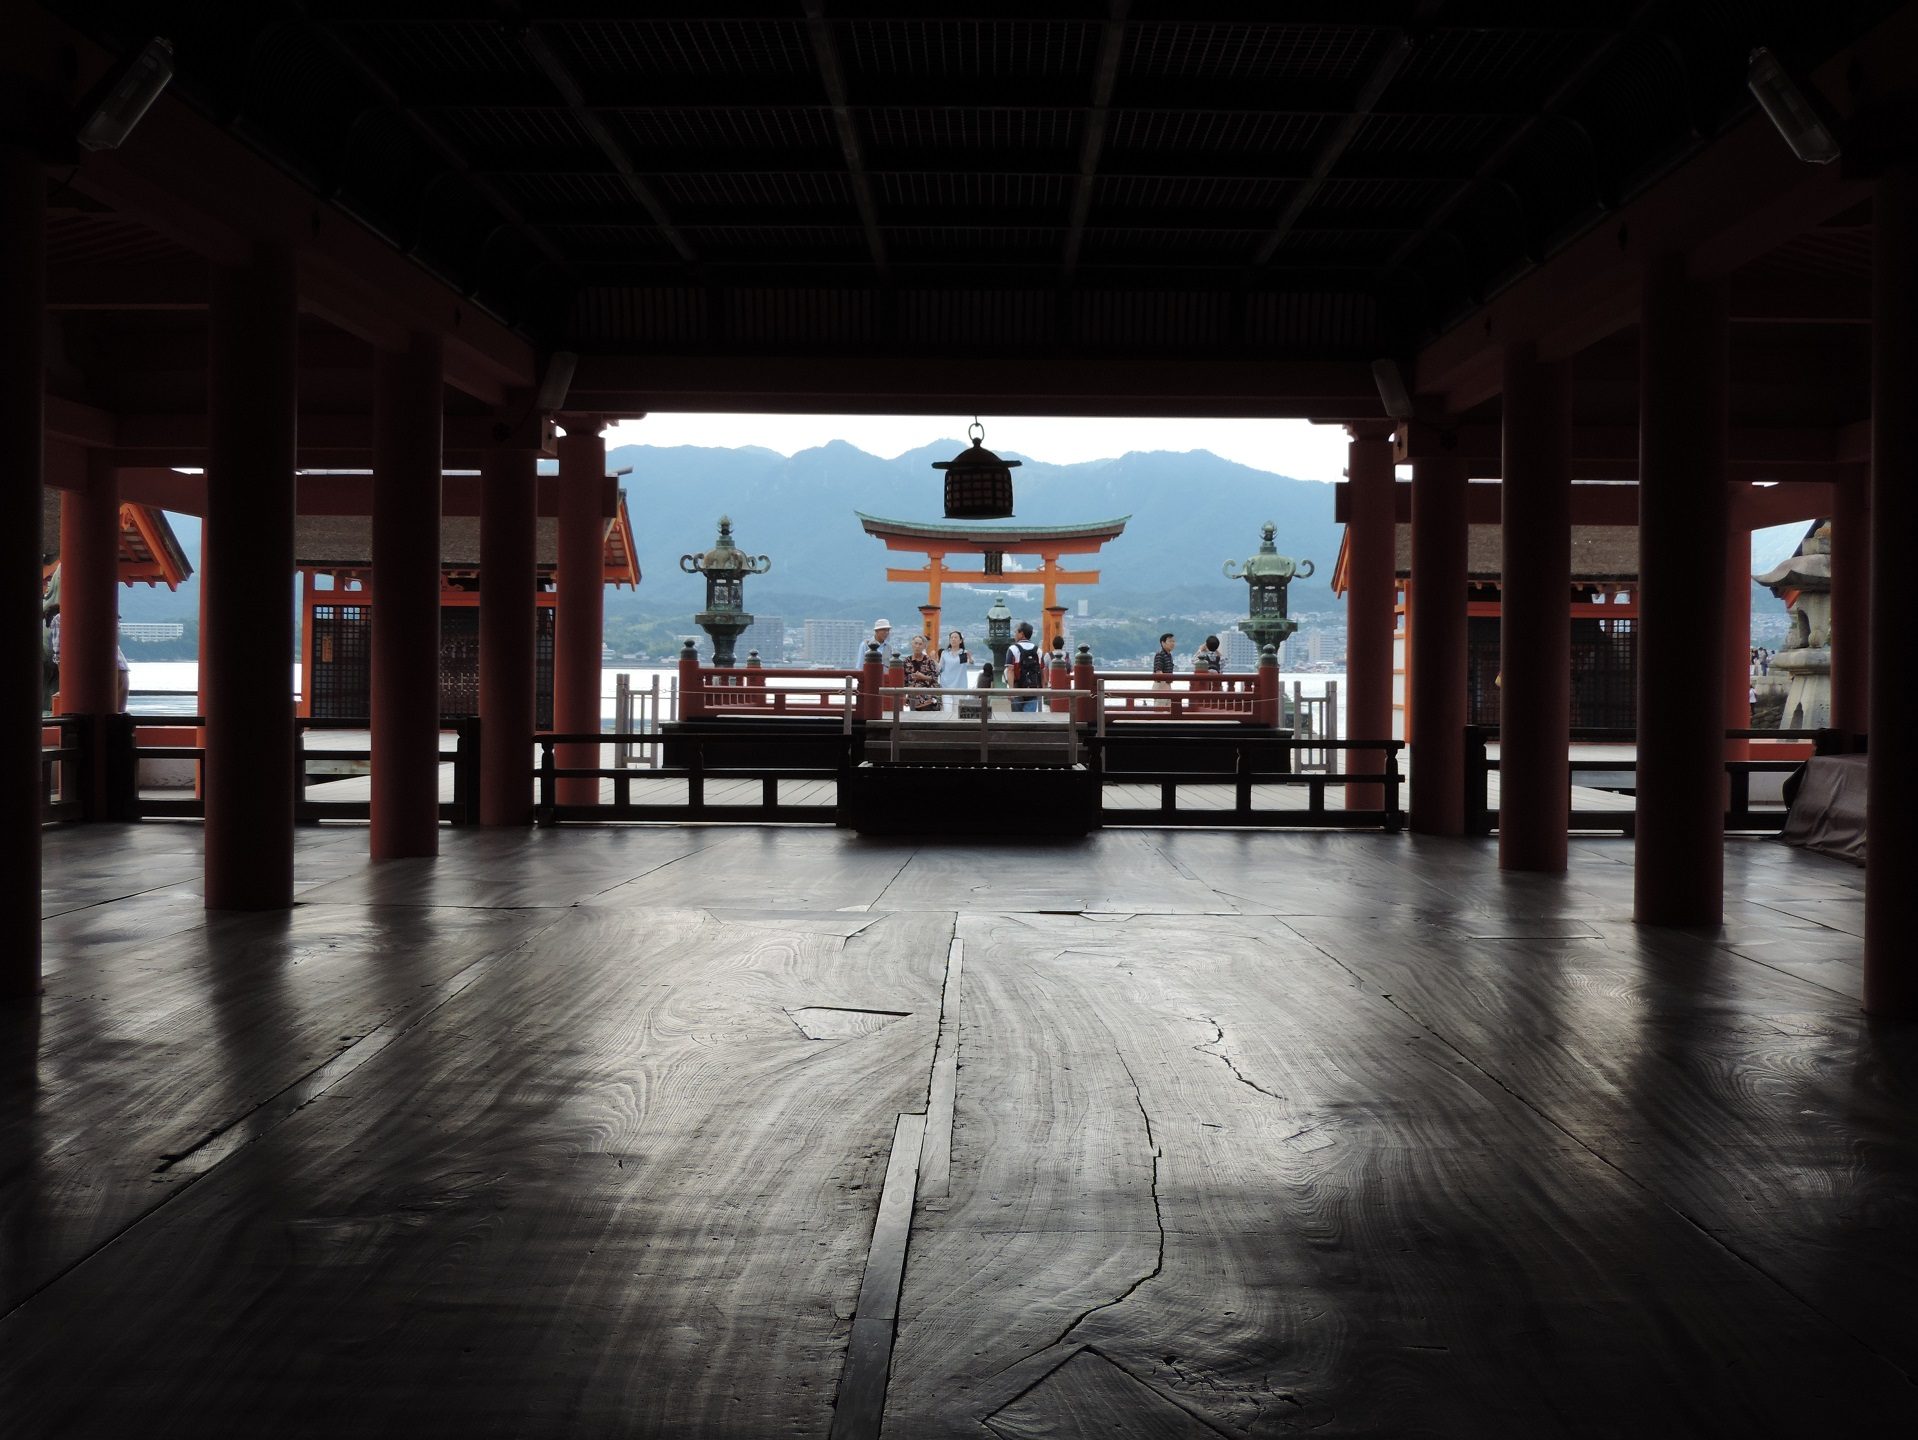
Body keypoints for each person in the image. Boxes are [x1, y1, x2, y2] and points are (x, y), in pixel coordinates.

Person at [1005, 621, 1041, 712]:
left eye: (1016, 632)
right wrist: (1042, 688)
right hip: (1033, 689)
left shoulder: (1013, 649)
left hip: (1017, 689)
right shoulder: (1038, 650)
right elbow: (1042, 669)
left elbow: (1010, 670)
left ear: (1021, 634)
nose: (1015, 634)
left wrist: (1010, 690)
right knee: (1029, 719)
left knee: (1017, 719)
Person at [902, 633, 940, 711]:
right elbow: (904, 680)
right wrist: (905, 696)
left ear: (924, 646)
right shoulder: (906, 661)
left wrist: (923, 677)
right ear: (912, 644)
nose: (917, 646)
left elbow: (935, 678)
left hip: (927, 698)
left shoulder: (929, 661)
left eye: (920, 644)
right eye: (915, 643)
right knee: (913, 721)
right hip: (912, 698)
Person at [939, 629, 970, 713]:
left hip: (959, 686)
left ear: (960, 640)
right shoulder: (945, 653)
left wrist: (970, 658)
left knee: (957, 711)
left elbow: (970, 663)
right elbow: (939, 668)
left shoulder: (963, 653)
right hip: (946, 685)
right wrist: (933, 659)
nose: (953, 639)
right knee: (947, 709)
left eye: (956, 637)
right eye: (951, 637)